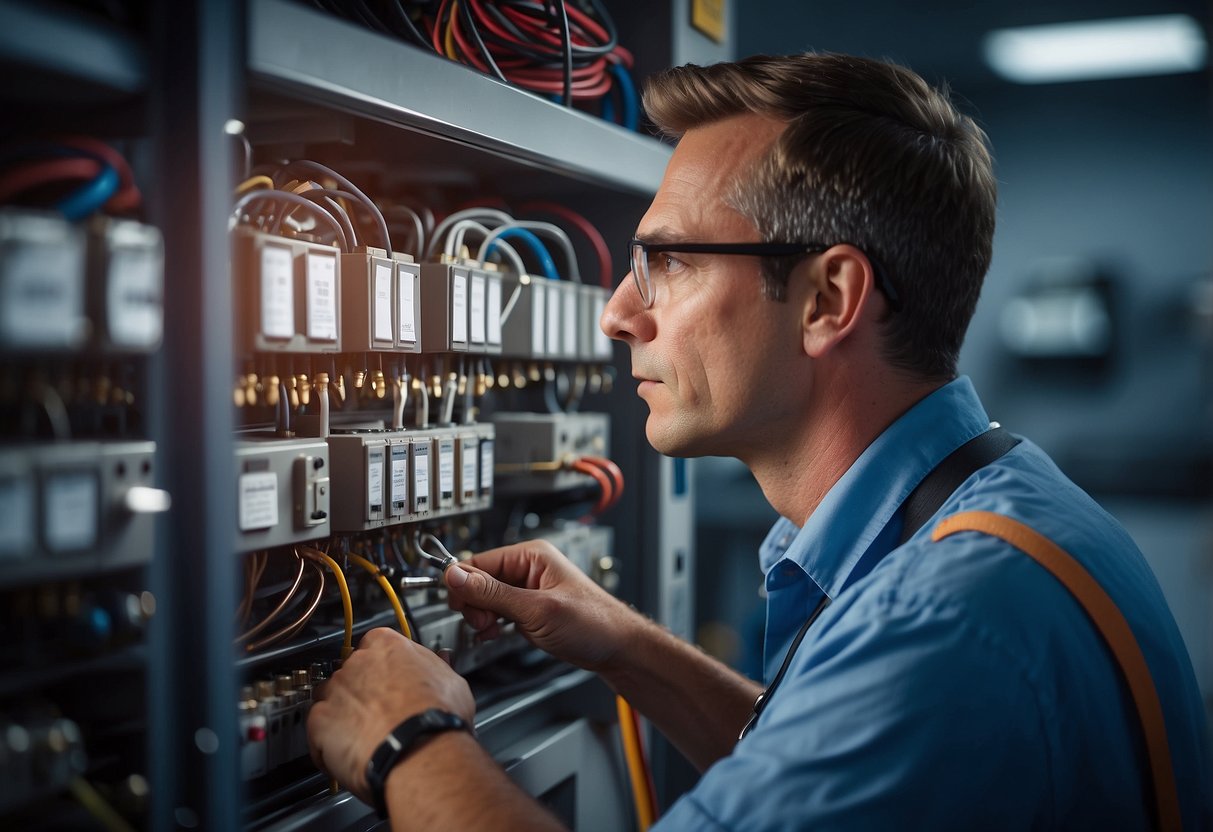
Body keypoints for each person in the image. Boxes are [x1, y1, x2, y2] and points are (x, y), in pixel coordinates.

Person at [307, 53, 1212, 829]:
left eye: (668, 262)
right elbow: (824, 769)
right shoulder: (999, 505)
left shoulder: (949, 621)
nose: (619, 314)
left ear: (827, 300)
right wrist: (623, 644)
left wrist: (410, 740)